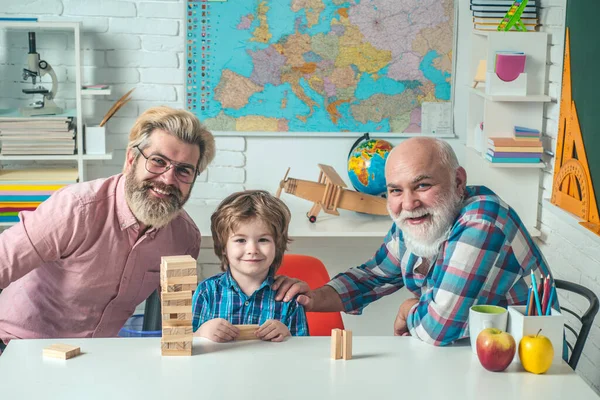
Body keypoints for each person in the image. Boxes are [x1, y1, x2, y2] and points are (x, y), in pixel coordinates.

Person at [273, 137, 558, 346]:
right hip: (464, 353)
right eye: (396, 190)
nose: (408, 203)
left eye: (423, 185)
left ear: (458, 182)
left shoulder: (482, 219)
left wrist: (409, 308)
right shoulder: (417, 220)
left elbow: (437, 328)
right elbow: (373, 276)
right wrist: (313, 297)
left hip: (522, 364)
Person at [0, 106, 215, 353]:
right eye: (158, 161)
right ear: (131, 159)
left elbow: (179, 321)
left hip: (97, 356)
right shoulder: (76, 208)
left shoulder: (185, 238)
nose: (168, 179)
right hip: (18, 347)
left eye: (183, 170)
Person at [192, 190, 308, 342]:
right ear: (223, 247)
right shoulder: (206, 292)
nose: (252, 250)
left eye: (263, 240)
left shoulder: (289, 298)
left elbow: (304, 353)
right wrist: (201, 333)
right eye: (240, 240)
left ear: (277, 246)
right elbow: (183, 346)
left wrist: (288, 336)